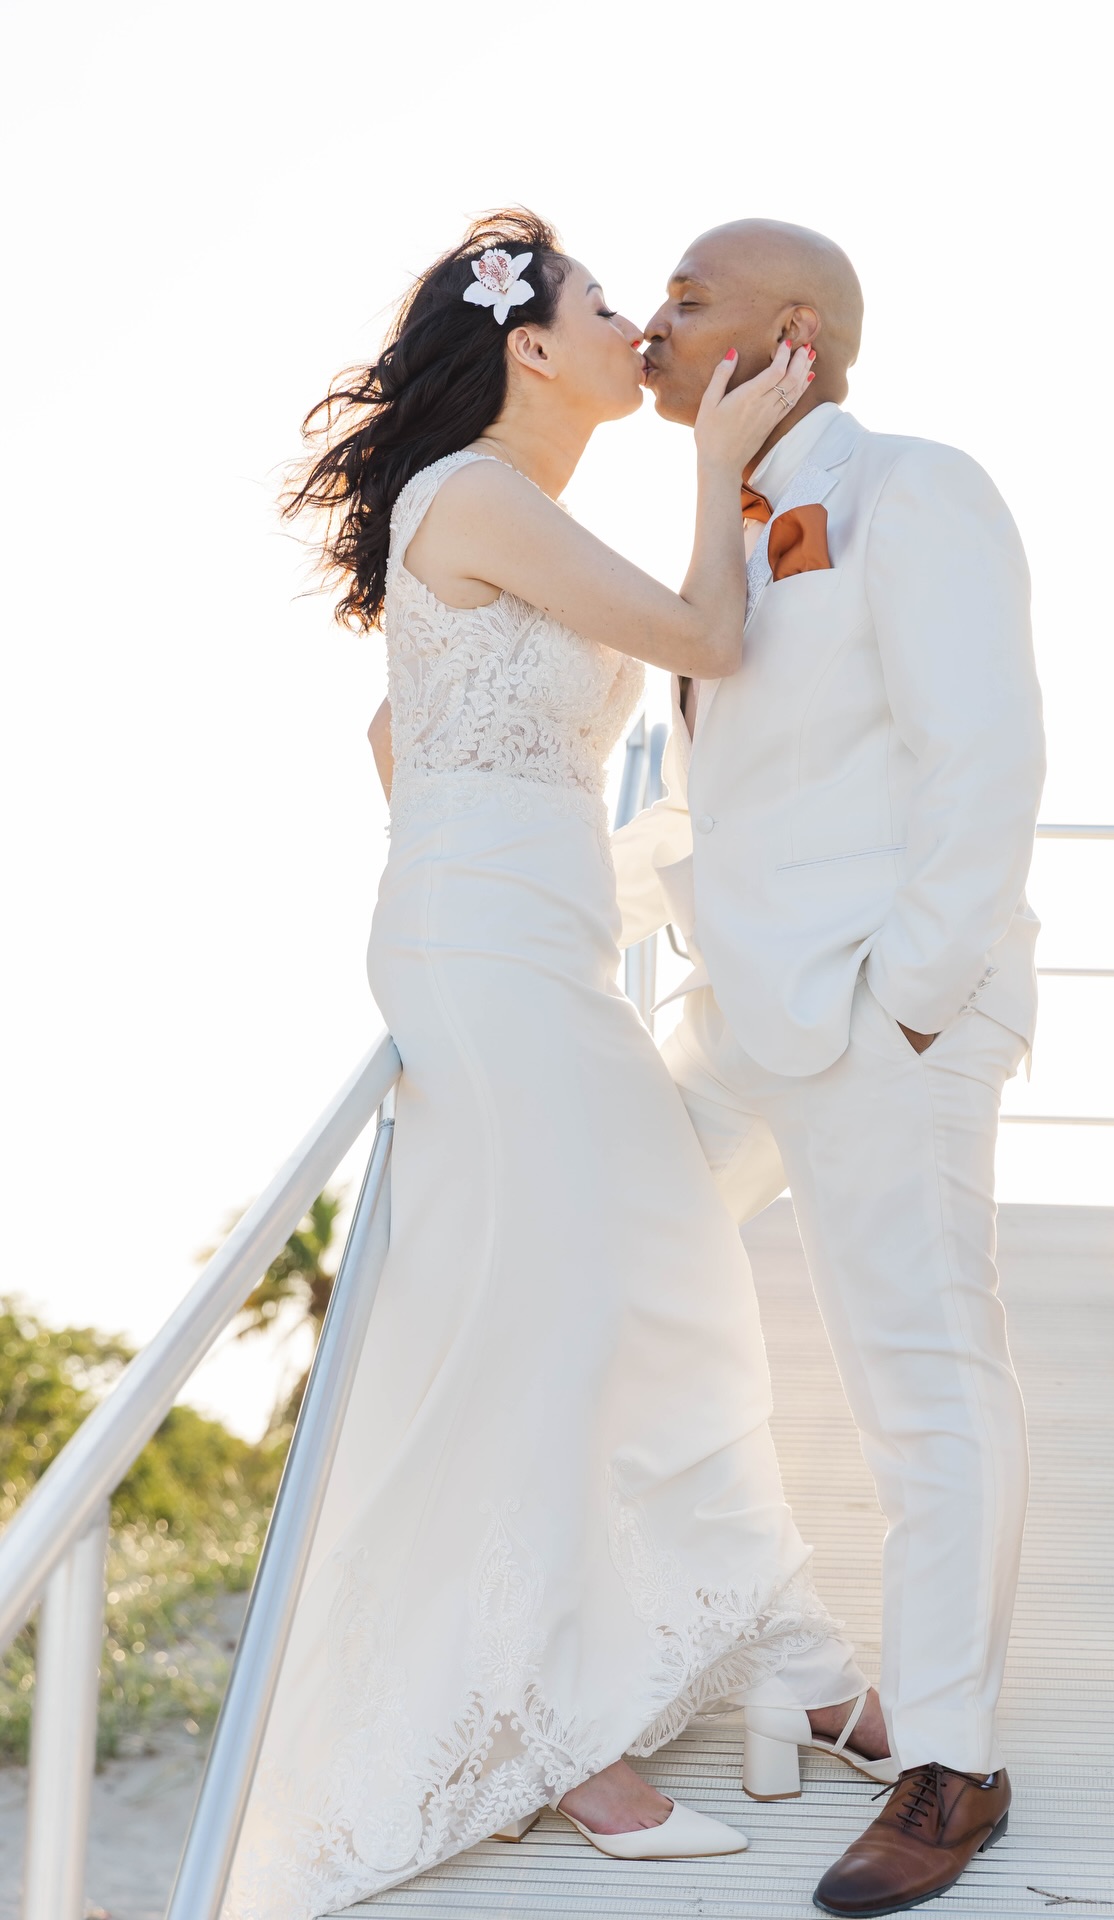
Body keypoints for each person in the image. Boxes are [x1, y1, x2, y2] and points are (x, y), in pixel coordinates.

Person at [224, 209, 888, 1920]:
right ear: (529, 344)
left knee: (644, 1280)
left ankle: (782, 1657)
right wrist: (722, 464)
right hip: (488, 954)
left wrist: (496, 836)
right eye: (610, 307)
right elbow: (710, 639)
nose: (637, 334)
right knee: (592, 1296)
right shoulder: (479, 492)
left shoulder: (498, 517)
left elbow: (400, 726)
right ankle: (560, 1732)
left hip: (522, 944)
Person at [612, 218, 1045, 1916]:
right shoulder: (715, 524)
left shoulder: (916, 489)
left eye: (687, 299)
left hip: (880, 1014)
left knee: (927, 1390)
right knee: (596, 1258)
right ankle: (761, 1640)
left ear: (791, 332)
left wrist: (917, 995)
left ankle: (954, 1759)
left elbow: (986, 747)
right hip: (739, 1013)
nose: (652, 323)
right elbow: (727, 800)